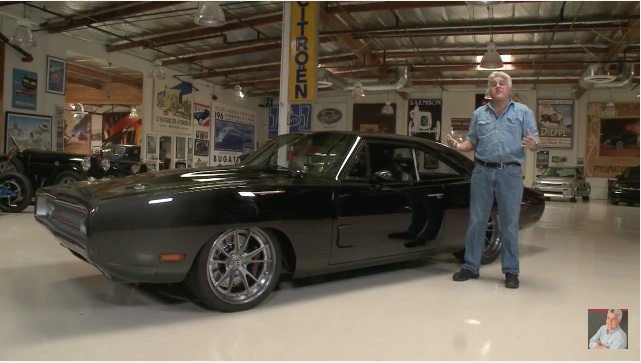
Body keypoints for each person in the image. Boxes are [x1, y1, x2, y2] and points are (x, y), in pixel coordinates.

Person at [445, 71, 539, 289]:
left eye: (502, 83)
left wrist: (533, 144)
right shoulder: (479, 114)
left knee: (509, 223)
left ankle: (511, 271)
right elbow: (471, 142)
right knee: (477, 220)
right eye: (493, 84)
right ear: (489, 90)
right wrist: (458, 147)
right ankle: (471, 266)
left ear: (509, 89)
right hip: (482, 172)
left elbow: (535, 143)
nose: (497, 86)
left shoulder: (523, 112)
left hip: (510, 173)